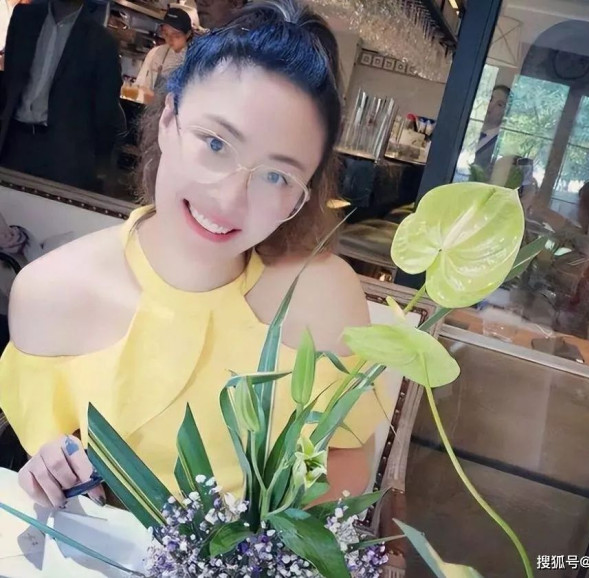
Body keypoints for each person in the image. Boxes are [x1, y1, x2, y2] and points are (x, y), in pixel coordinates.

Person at [0, 0, 388, 510]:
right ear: (168, 119)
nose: (229, 199)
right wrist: (53, 471)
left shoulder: (322, 296)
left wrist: (253, 540)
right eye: (216, 144)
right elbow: (52, 462)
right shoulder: (51, 292)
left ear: (303, 193)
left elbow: (346, 455)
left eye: (276, 175)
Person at [0, 0, 122, 191]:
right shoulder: (24, 17)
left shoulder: (102, 42)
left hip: (63, 155)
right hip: (14, 140)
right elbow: (9, 81)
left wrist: (101, 165)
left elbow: (105, 111)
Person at [135, 6, 193, 99]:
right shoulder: (155, 53)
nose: (170, 39)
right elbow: (140, 87)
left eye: (176, 35)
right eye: (166, 34)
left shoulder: (194, 61)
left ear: (188, 34)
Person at [473, 84, 511, 176]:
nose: (491, 105)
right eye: (490, 99)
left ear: (506, 113)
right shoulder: (468, 130)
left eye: (499, 104)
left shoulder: (501, 146)